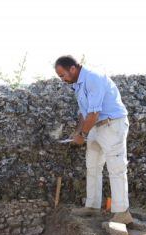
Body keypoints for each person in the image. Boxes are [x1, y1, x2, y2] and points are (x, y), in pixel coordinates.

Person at [55, 55, 133, 225]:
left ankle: (122, 213)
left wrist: (82, 135)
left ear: (73, 69)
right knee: (92, 166)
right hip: (96, 126)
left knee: (116, 168)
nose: (62, 79)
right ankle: (92, 206)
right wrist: (77, 132)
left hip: (112, 125)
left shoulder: (93, 78)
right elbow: (85, 113)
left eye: (63, 75)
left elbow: (94, 112)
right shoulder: (78, 84)